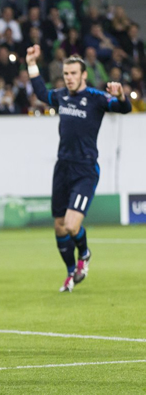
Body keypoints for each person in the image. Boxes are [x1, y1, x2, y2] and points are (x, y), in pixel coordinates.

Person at [26, 44, 131, 293]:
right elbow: (41, 91)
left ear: (83, 75)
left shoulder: (96, 98)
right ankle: (71, 272)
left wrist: (121, 94)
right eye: (66, 74)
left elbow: (124, 108)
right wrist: (31, 63)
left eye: (73, 73)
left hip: (85, 170)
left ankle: (84, 253)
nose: (69, 78)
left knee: (72, 226)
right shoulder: (61, 96)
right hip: (62, 168)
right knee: (59, 226)